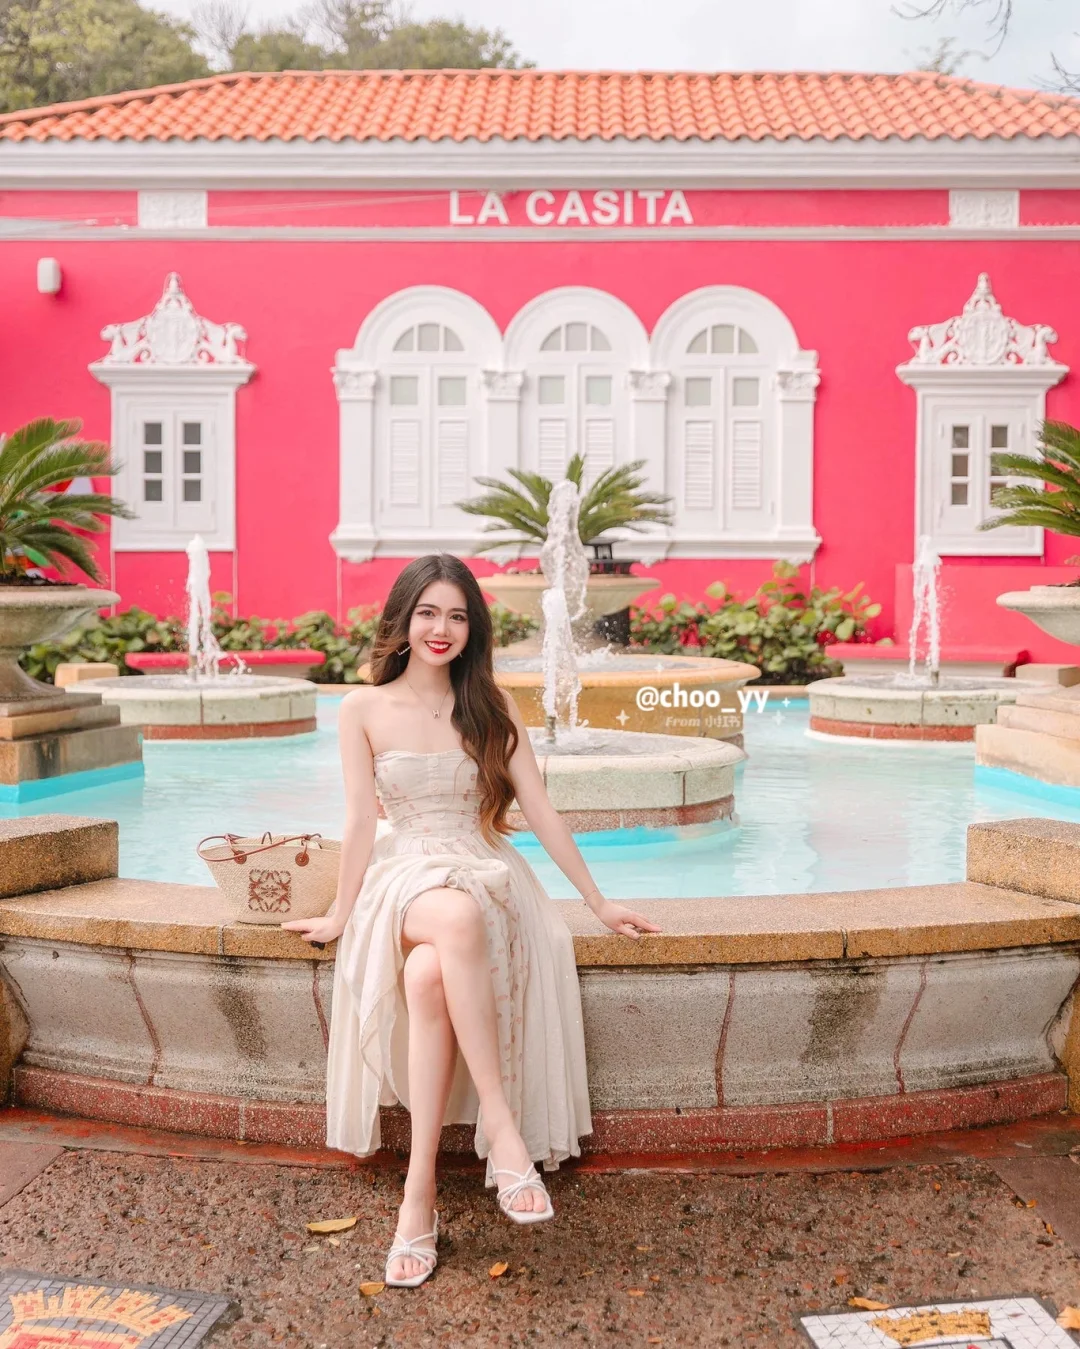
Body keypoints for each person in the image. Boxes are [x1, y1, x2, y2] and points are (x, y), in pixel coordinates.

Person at [283, 552, 660, 1288]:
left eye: (458, 615)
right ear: (403, 618)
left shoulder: (491, 705)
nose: (442, 628)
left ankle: (417, 1198)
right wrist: (338, 910)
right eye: (428, 612)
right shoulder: (361, 709)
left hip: (485, 873)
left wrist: (597, 900)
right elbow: (361, 822)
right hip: (405, 878)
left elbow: (541, 813)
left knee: (430, 975)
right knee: (451, 918)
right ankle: (502, 1128)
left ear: (473, 627)